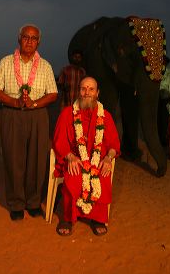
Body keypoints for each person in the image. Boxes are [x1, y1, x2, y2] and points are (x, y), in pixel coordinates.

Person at [0, 24, 58, 220]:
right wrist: (14, 101)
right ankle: (16, 203)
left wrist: (34, 103)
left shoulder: (45, 66)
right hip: (12, 114)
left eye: (34, 38)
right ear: (19, 39)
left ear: (39, 42)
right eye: (26, 37)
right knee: (13, 159)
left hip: (38, 116)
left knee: (37, 159)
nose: (29, 41)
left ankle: (34, 202)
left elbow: (53, 93)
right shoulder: (6, 62)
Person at [53, 76, 120, 236]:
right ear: (79, 92)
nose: (86, 92)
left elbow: (114, 145)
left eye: (91, 89)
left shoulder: (106, 116)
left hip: (98, 160)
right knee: (74, 174)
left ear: (97, 93)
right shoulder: (67, 113)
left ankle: (97, 218)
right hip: (76, 159)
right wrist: (70, 157)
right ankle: (68, 218)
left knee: (101, 175)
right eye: (83, 88)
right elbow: (59, 140)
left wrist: (108, 158)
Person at [158, 56, 170, 146]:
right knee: (158, 120)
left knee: (166, 120)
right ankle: (160, 139)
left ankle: (165, 140)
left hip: (167, 99)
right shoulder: (155, 73)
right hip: (157, 100)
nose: (162, 63)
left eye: (164, 62)